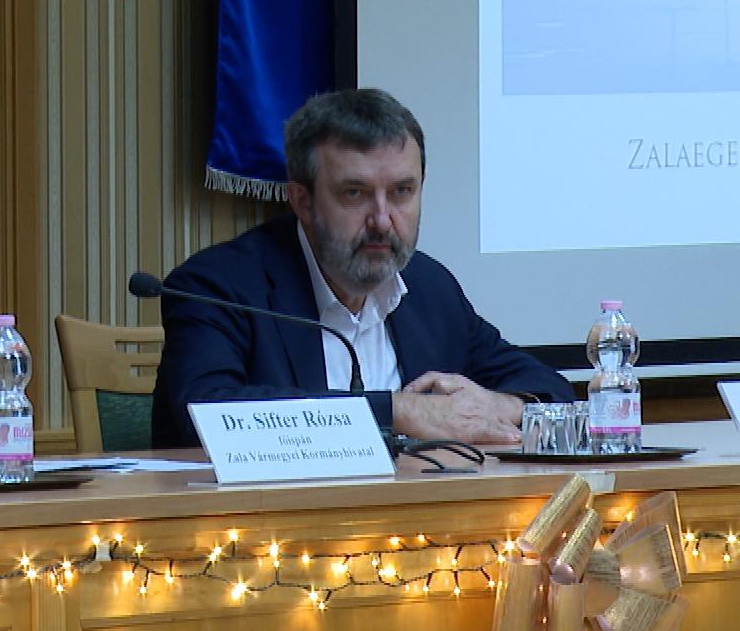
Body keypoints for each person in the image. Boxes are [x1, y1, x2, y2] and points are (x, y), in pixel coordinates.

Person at [151, 87, 572, 448]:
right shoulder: (219, 287)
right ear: (303, 201)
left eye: (402, 192)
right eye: (355, 193)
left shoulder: (428, 288)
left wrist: (499, 404)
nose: (383, 221)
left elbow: (552, 390)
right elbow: (205, 414)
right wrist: (398, 411)